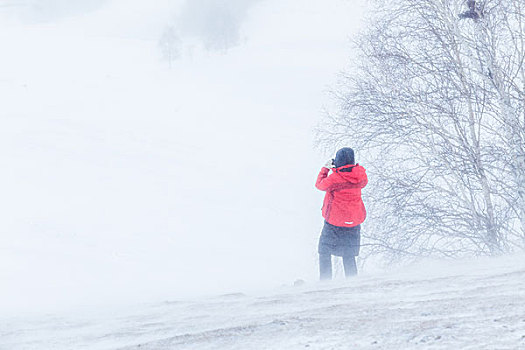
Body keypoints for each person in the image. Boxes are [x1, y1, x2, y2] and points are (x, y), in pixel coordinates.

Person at [315, 147, 368, 280]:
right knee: (348, 254)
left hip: (334, 222)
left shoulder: (335, 179)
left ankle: (325, 282)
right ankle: (352, 282)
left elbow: (319, 185)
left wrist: (326, 169)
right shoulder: (360, 177)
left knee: (324, 250)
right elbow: (358, 176)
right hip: (354, 221)